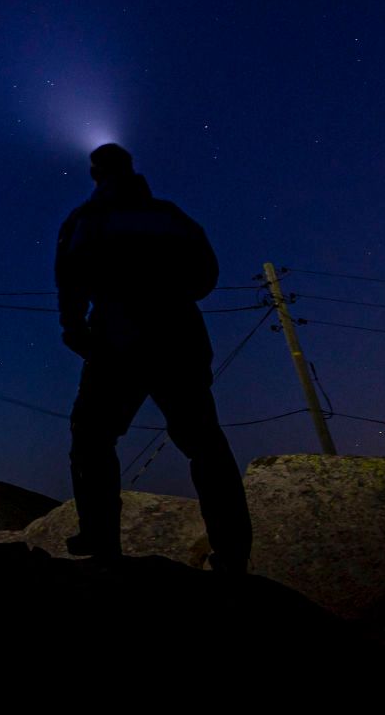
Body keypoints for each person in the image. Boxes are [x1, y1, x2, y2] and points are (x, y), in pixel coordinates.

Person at [55, 143, 252, 572]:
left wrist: (76, 328)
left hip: (117, 340)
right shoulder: (170, 216)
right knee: (205, 442)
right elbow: (206, 275)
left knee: (92, 437)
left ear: (96, 175)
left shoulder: (87, 219)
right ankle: (233, 552)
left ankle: (101, 540)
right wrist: (171, 295)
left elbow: (70, 278)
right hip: (180, 336)